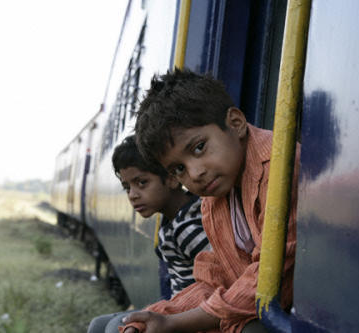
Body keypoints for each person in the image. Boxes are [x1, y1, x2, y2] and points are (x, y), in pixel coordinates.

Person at [117, 68, 299, 333]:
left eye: (199, 147)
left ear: (235, 123)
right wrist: (156, 315)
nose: (195, 173)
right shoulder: (213, 200)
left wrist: (175, 323)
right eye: (178, 169)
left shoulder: (278, 168)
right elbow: (213, 278)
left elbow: (269, 283)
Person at [87, 135, 211, 332]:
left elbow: (221, 285)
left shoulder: (187, 229)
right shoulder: (173, 221)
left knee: (112, 328)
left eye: (142, 183)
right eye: (127, 187)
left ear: (171, 178)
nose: (132, 195)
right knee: (98, 325)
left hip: (195, 318)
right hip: (179, 311)